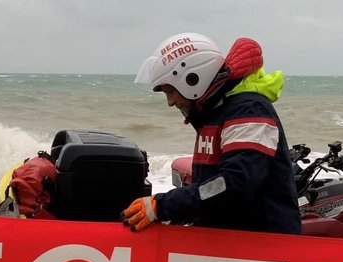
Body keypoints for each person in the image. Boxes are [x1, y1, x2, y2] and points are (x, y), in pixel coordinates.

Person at [123, 33, 302, 234]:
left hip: (262, 248)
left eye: (170, 91)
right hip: (230, 244)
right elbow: (209, 189)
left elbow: (234, 184)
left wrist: (164, 206)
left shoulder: (249, 110)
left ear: (191, 79)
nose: (170, 102)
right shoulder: (216, 112)